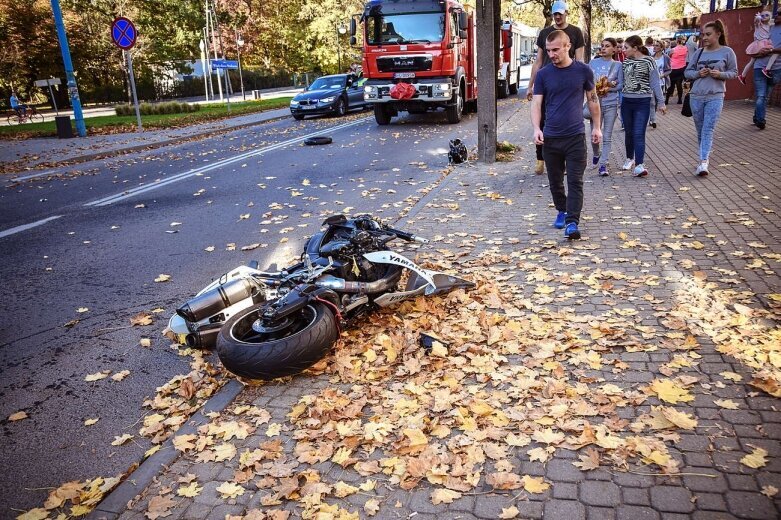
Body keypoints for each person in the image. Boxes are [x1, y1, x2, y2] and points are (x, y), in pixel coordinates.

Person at [532, 30, 601, 240]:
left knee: (575, 181)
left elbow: (593, 99)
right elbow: (536, 102)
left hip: (575, 137)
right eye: (549, 50)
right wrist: (536, 128)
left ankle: (572, 222)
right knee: (555, 182)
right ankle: (561, 210)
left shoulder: (583, 71)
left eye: (556, 50)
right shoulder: (544, 74)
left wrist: (596, 127)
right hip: (551, 138)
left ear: (567, 46)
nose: (551, 54)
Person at [526, 0, 585, 175]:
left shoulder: (575, 32)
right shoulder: (545, 33)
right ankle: (540, 158)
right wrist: (530, 85)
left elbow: (580, 59)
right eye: (555, 14)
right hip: (546, 80)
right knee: (542, 119)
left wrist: (580, 81)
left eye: (560, 13)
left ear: (567, 13)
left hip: (567, 82)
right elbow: (538, 61)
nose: (558, 17)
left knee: (566, 119)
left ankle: (565, 159)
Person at [684, 20, 737, 177]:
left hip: (715, 96)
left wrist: (720, 74)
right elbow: (687, 72)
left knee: (708, 129)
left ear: (718, 34)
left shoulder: (727, 52)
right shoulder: (699, 52)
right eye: (703, 34)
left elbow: (734, 72)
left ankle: (703, 161)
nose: (704, 37)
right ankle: (702, 159)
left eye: (708, 34)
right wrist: (697, 74)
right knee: (700, 130)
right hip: (696, 96)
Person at [620, 35, 667, 177]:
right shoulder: (625, 62)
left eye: (626, 47)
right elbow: (622, 83)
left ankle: (639, 165)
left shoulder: (649, 61)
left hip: (643, 102)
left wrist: (661, 102)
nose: (623, 50)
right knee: (629, 132)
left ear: (635, 48)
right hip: (627, 102)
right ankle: (630, 158)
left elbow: (655, 83)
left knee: (638, 133)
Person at [589, 38, 623, 176]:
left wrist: (609, 87)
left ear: (614, 49)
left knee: (607, 136)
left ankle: (603, 165)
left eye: (607, 46)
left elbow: (621, 85)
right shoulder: (592, 63)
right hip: (595, 104)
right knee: (594, 136)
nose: (603, 48)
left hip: (610, 104)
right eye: (602, 46)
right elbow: (587, 83)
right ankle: (596, 154)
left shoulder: (618, 65)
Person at [752, 10, 781, 130]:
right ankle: (760, 120)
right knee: (761, 95)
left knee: (764, 96)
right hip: (759, 66)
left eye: (780, 14)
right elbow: (756, 40)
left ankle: (756, 115)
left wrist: (771, 51)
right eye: (777, 13)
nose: (777, 15)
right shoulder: (769, 26)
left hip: (776, 69)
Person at [738, 4, 777, 84]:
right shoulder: (759, 24)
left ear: (770, 17)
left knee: (752, 61)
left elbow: (774, 22)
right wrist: (759, 17)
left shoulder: (769, 25)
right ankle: (767, 69)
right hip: (760, 44)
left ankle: (742, 75)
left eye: (767, 15)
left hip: (762, 44)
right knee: (775, 53)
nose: (764, 17)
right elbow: (756, 20)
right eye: (763, 15)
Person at [649, 40, 671, 129]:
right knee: (652, 102)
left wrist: (662, 75)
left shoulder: (666, 57)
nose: (654, 47)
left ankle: (652, 116)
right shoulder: (650, 58)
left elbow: (669, 70)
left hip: (661, 82)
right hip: (652, 82)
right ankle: (653, 120)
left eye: (657, 45)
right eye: (654, 45)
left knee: (658, 101)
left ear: (661, 48)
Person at [666, 36, 688, 104]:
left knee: (671, 85)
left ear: (677, 41)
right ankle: (679, 100)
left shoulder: (673, 50)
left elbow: (668, 57)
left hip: (673, 68)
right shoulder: (686, 48)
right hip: (682, 68)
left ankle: (666, 100)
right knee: (679, 84)